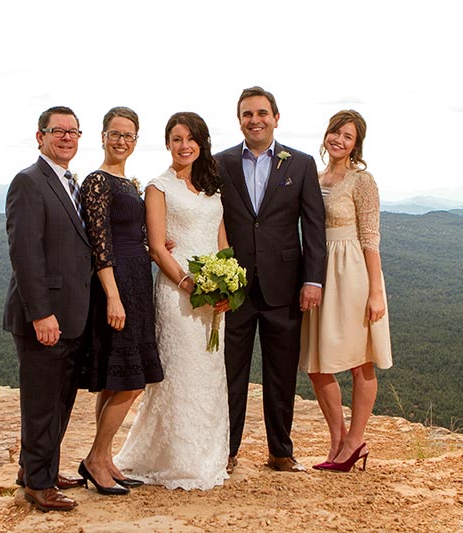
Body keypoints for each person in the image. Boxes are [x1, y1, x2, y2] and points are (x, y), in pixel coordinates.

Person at [114, 112, 230, 490]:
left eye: (191, 138)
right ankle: (173, 458)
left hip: (212, 296)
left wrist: (227, 286)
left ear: (201, 143)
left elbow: (222, 242)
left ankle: (206, 455)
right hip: (177, 292)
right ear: (167, 143)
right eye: (176, 139)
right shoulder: (158, 186)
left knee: (208, 374)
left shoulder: (213, 189)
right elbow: (158, 246)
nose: (184, 146)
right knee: (179, 374)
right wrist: (186, 282)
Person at [215, 87, 327, 473]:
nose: (255, 119)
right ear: (239, 120)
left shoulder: (300, 164)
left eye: (262, 112)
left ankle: (280, 451)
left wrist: (313, 280)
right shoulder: (220, 164)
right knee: (231, 374)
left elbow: (313, 228)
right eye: (247, 114)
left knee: (281, 375)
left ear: (276, 118)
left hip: (286, 287)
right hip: (235, 290)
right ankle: (225, 452)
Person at [2, 106, 89, 512]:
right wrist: (40, 313)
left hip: (72, 313)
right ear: (40, 137)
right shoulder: (29, 182)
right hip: (45, 315)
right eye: (58, 131)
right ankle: (39, 484)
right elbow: (25, 254)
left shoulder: (70, 183)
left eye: (73, 131)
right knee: (41, 402)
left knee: (60, 399)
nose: (67, 137)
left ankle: (38, 467)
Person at [300, 109, 393, 472]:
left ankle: (356, 440)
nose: (338, 139)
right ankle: (337, 440)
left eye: (348, 136)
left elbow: (371, 238)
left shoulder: (362, 181)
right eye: (335, 132)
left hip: (352, 272)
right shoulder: (315, 176)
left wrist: (375, 291)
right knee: (317, 365)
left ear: (356, 144)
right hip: (318, 271)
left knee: (359, 360)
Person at [78, 106, 163, 495]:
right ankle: (95, 458)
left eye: (128, 135)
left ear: (135, 140)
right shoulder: (97, 182)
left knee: (117, 380)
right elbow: (100, 245)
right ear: (102, 136)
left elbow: (129, 234)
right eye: (115, 133)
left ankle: (105, 458)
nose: (121, 141)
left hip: (137, 279)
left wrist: (150, 248)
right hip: (116, 285)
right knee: (130, 382)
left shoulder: (128, 182)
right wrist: (112, 296)